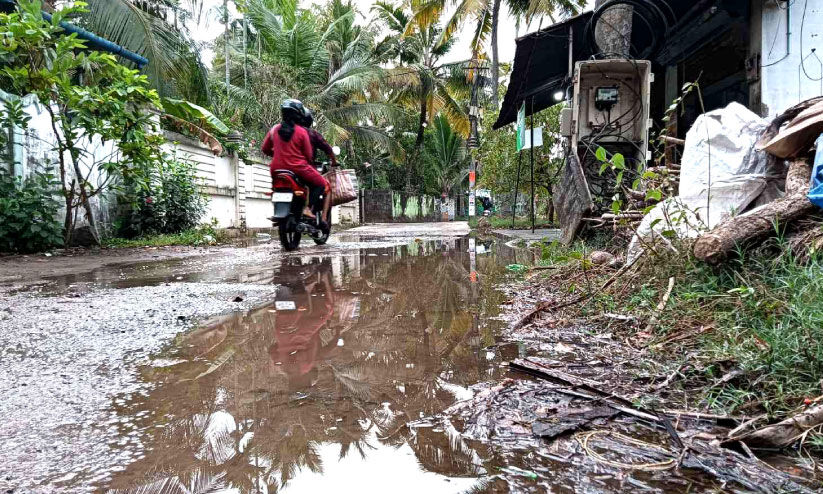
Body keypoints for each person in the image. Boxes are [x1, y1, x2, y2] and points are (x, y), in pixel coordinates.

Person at [261, 99, 331, 229]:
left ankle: (281, 210)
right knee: (320, 184)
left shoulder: (274, 129)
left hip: (276, 169)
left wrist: (278, 155)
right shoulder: (301, 132)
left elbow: (265, 149)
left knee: (276, 189)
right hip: (299, 168)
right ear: (299, 114)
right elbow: (308, 155)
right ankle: (308, 209)